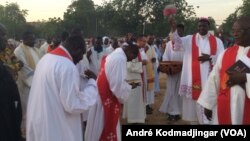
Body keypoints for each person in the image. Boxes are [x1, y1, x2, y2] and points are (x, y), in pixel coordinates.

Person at [26, 36, 98, 141]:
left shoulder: (45, 59)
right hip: (58, 129)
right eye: (82, 53)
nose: (82, 58)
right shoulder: (67, 66)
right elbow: (73, 105)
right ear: (75, 49)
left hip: (42, 123)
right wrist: (92, 84)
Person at [169, 17, 224, 124]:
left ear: (209, 27)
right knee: (193, 109)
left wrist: (209, 58)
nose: (201, 28)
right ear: (197, 27)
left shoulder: (217, 41)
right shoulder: (189, 39)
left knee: (208, 101)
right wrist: (173, 29)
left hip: (209, 78)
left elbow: (222, 57)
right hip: (192, 78)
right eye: (199, 26)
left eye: (204, 25)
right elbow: (177, 43)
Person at [197, 16, 250, 124]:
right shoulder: (226, 53)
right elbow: (214, 78)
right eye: (233, 31)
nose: (235, 34)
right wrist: (208, 104)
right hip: (225, 105)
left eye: (239, 31)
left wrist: (245, 78)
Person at [85, 43, 139, 141]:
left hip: (102, 92)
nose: (131, 60)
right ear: (130, 52)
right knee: (103, 126)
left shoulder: (115, 54)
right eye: (133, 57)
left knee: (97, 125)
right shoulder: (120, 59)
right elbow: (117, 86)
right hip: (106, 98)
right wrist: (128, 87)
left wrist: (125, 85)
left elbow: (114, 79)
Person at [14, 31, 42, 134]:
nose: (34, 41)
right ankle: (25, 133)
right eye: (31, 39)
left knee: (35, 111)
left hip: (37, 86)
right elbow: (24, 69)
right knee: (26, 111)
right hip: (27, 87)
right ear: (24, 39)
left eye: (34, 38)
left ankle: (34, 131)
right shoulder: (19, 50)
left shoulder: (36, 50)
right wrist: (36, 81)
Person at [0, 23, 23, 141]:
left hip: (11, 92)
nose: (6, 38)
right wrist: (10, 69)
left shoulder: (8, 50)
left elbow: (20, 63)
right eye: (3, 35)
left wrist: (12, 69)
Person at [159, 23, 185, 121]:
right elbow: (166, 56)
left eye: (179, 31)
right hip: (172, 72)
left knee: (180, 92)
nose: (177, 33)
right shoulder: (170, 44)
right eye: (175, 31)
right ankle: (171, 112)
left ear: (183, 32)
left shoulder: (186, 43)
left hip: (183, 72)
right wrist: (168, 67)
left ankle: (178, 112)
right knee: (171, 91)